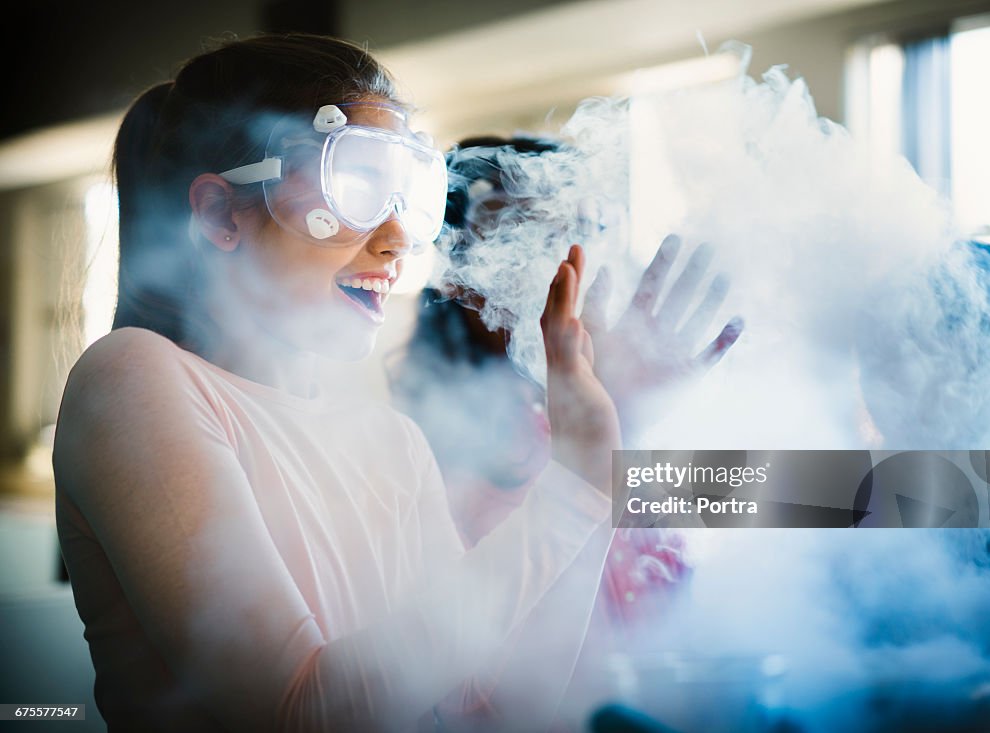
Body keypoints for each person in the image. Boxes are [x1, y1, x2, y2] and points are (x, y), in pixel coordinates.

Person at [52, 35, 622, 733]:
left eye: (401, 197)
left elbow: (497, 710)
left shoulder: (391, 440)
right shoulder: (131, 378)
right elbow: (297, 713)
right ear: (220, 215)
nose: (394, 241)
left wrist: (590, 470)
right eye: (353, 186)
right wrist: (566, 496)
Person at [390, 136, 743, 722]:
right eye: (529, 240)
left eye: (583, 231)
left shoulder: (608, 406)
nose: (568, 266)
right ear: (456, 275)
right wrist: (606, 428)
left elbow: (814, 504)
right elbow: (489, 665)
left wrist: (626, 418)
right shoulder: (417, 449)